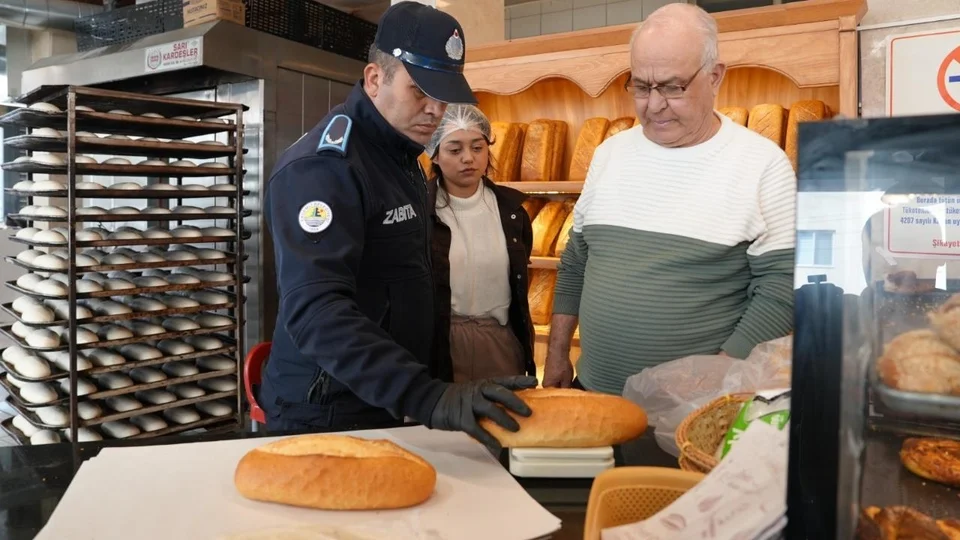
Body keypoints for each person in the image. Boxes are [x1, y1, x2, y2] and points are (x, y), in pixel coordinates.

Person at [259, 1, 539, 453]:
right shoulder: (324, 169)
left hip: (385, 398)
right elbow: (317, 311)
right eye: (419, 91)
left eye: (443, 95)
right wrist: (426, 396)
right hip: (328, 410)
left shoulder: (402, 157)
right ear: (375, 79)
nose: (434, 110)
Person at [543, 3, 797, 394]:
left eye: (673, 87)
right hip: (593, 392)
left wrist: (718, 379)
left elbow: (782, 288)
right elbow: (577, 260)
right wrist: (557, 354)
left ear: (715, 77)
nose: (654, 104)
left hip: (692, 415)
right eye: (641, 87)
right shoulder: (609, 154)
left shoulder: (763, 165)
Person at [425, 104, 537, 384]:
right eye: (455, 149)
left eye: (477, 148)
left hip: (499, 342)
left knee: (503, 423)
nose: (468, 158)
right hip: (437, 344)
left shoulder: (512, 212)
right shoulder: (419, 210)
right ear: (435, 155)